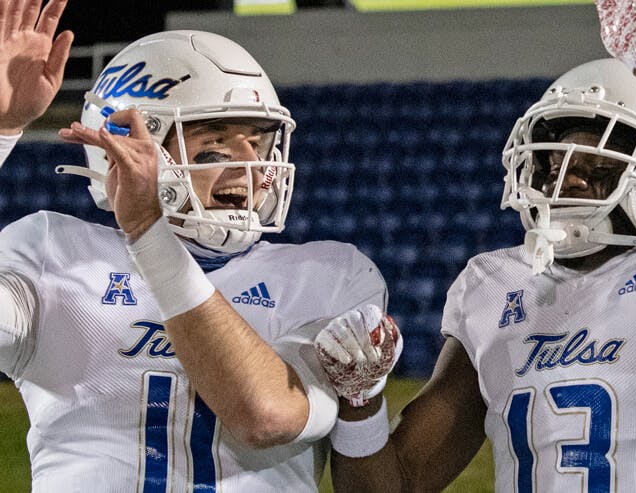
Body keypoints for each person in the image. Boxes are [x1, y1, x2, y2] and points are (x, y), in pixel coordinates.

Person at [314, 0, 636, 491]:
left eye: (595, 166)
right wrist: (362, 404)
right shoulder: (497, 284)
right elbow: (397, 484)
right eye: (553, 164)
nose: (569, 181)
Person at [0, 0, 399, 490]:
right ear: (123, 146)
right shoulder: (50, 250)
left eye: (260, 142)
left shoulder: (331, 274)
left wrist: (149, 229)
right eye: (215, 144)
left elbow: (266, 415)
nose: (252, 166)